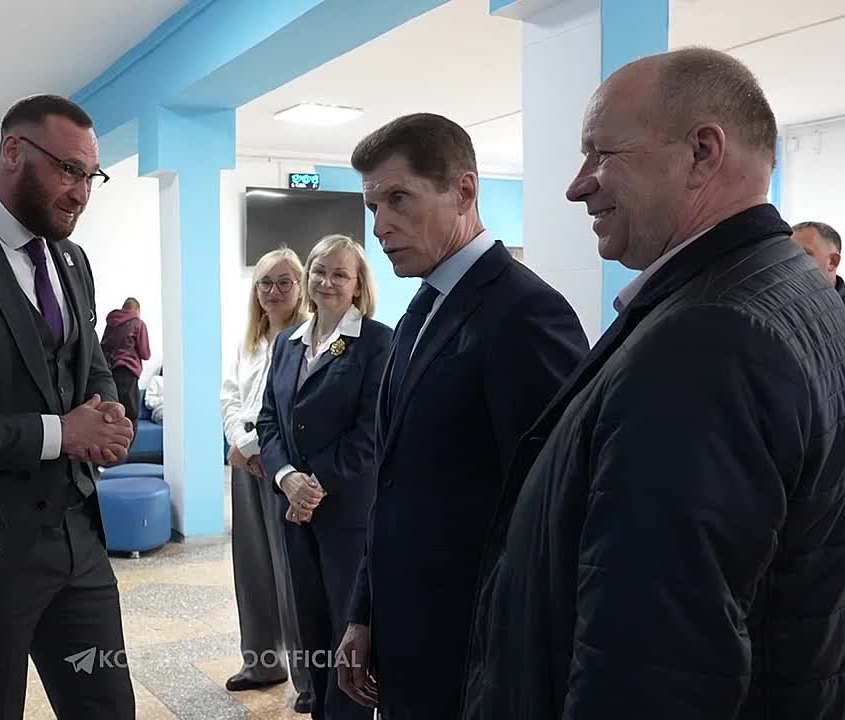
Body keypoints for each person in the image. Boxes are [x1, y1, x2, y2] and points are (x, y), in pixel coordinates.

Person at [464, 48, 845, 719]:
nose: (576, 187)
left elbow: (654, 667)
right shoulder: (785, 288)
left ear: (702, 154)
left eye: (600, 154)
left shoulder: (710, 338)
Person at [333, 113, 588, 719]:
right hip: (405, 634)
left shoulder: (525, 314)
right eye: (373, 207)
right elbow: (393, 484)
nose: (380, 226)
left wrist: (508, 666)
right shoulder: (420, 311)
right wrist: (365, 612)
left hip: (477, 652)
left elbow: (550, 511)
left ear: (464, 190)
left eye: (399, 199)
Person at [0, 94, 137, 719]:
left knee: (108, 707)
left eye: (91, 176)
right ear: (14, 150)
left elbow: (90, 363)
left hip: (80, 539)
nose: (81, 193)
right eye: (69, 170)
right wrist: (60, 434)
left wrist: (108, 417)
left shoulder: (72, 259)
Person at [257, 235, 394, 720]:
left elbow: (371, 433)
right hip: (295, 512)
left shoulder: (377, 342)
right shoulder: (287, 343)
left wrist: (313, 485)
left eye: (340, 274)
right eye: (319, 271)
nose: (327, 281)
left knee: (347, 633)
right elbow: (269, 420)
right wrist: (286, 478)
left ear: (358, 285)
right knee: (311, 629)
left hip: (346, 514)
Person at [221, 247, 313, 712]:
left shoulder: (307, 340)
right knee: (253, 568)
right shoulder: (250, 341)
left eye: (284, 282)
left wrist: (256, 447)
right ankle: (262, 663)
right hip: (246, 466)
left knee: (290, 574)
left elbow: (292, 408)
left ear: (301, 287)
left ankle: (309, 678)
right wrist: (240, 442)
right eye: (265, 283)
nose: (274, 291)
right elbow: (231, 397)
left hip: (284, 469)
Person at [792, 220, 845, 351]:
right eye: (787, 255)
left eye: (802, 254)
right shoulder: (774, 314)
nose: (790, 262)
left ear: (832, 262)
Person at [101, 297, 151, 431]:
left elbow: (103, 347)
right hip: (128, 372)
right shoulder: (138, 324)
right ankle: (128, 445)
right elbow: (145, 353)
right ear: (137, 310)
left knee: (113, 414)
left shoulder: (111, 323)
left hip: (110, 373)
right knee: (131, 416)